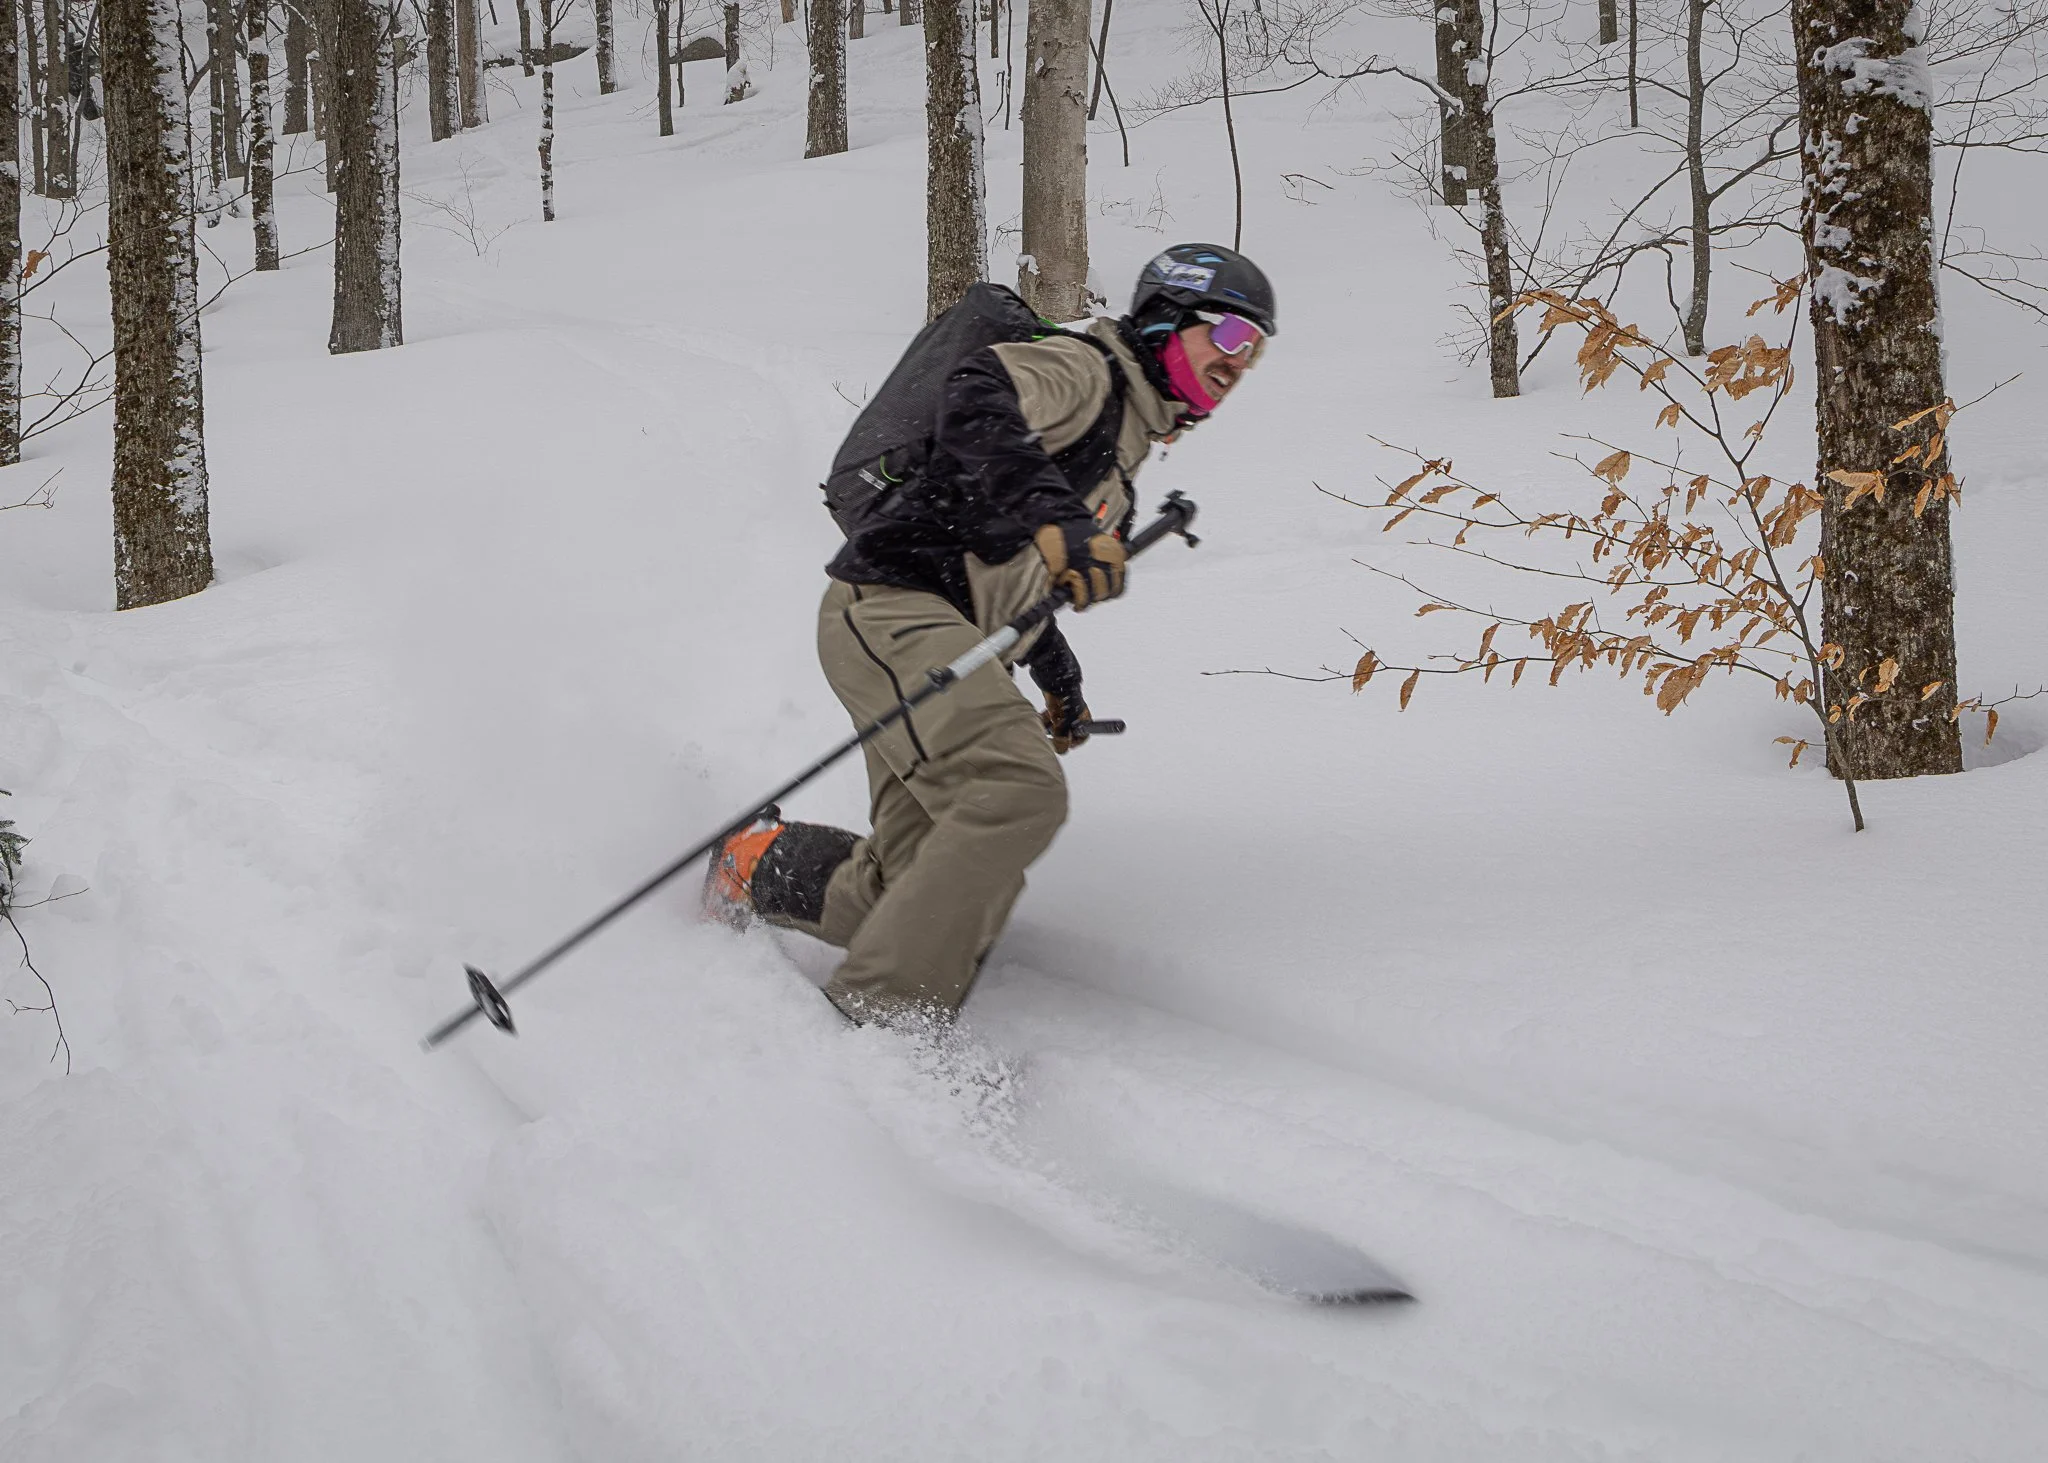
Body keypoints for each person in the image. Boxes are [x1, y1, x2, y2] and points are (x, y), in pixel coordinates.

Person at [703, 244, 1277, 1025]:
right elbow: (976, 396)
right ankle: (883, 1022)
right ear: (1167, 320)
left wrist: (1059, 678)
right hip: (893, 607)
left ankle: (751, 864)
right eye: (1231, 334)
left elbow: (1014, 576)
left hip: (939, 637)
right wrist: (1060, 517)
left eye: (1256, 349)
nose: (1241, 360)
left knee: (910, 886)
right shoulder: (1085, 371)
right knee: (1014, 790)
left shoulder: (1121, 451)